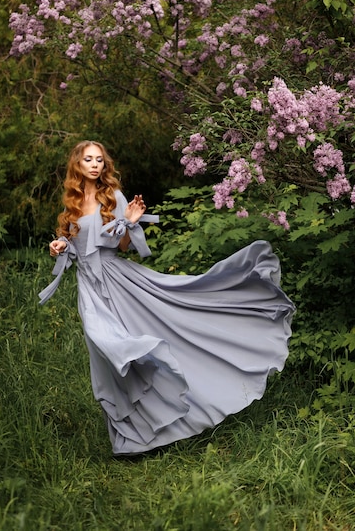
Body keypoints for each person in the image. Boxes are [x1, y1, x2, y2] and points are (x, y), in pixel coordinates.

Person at [40, 140, 294, 456]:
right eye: (88, 160)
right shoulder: (72, 203)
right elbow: (72, 242)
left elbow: (120, 247)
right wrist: (60, 246)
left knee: (130, 347)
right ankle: (130, 437)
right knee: (107, 355)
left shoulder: (113, 197)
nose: (94, 165)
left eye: (100, 160)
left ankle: (155, 424)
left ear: (105, 165)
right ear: (77, 165)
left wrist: (129, 223)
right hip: (89, 291)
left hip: (119, 282)